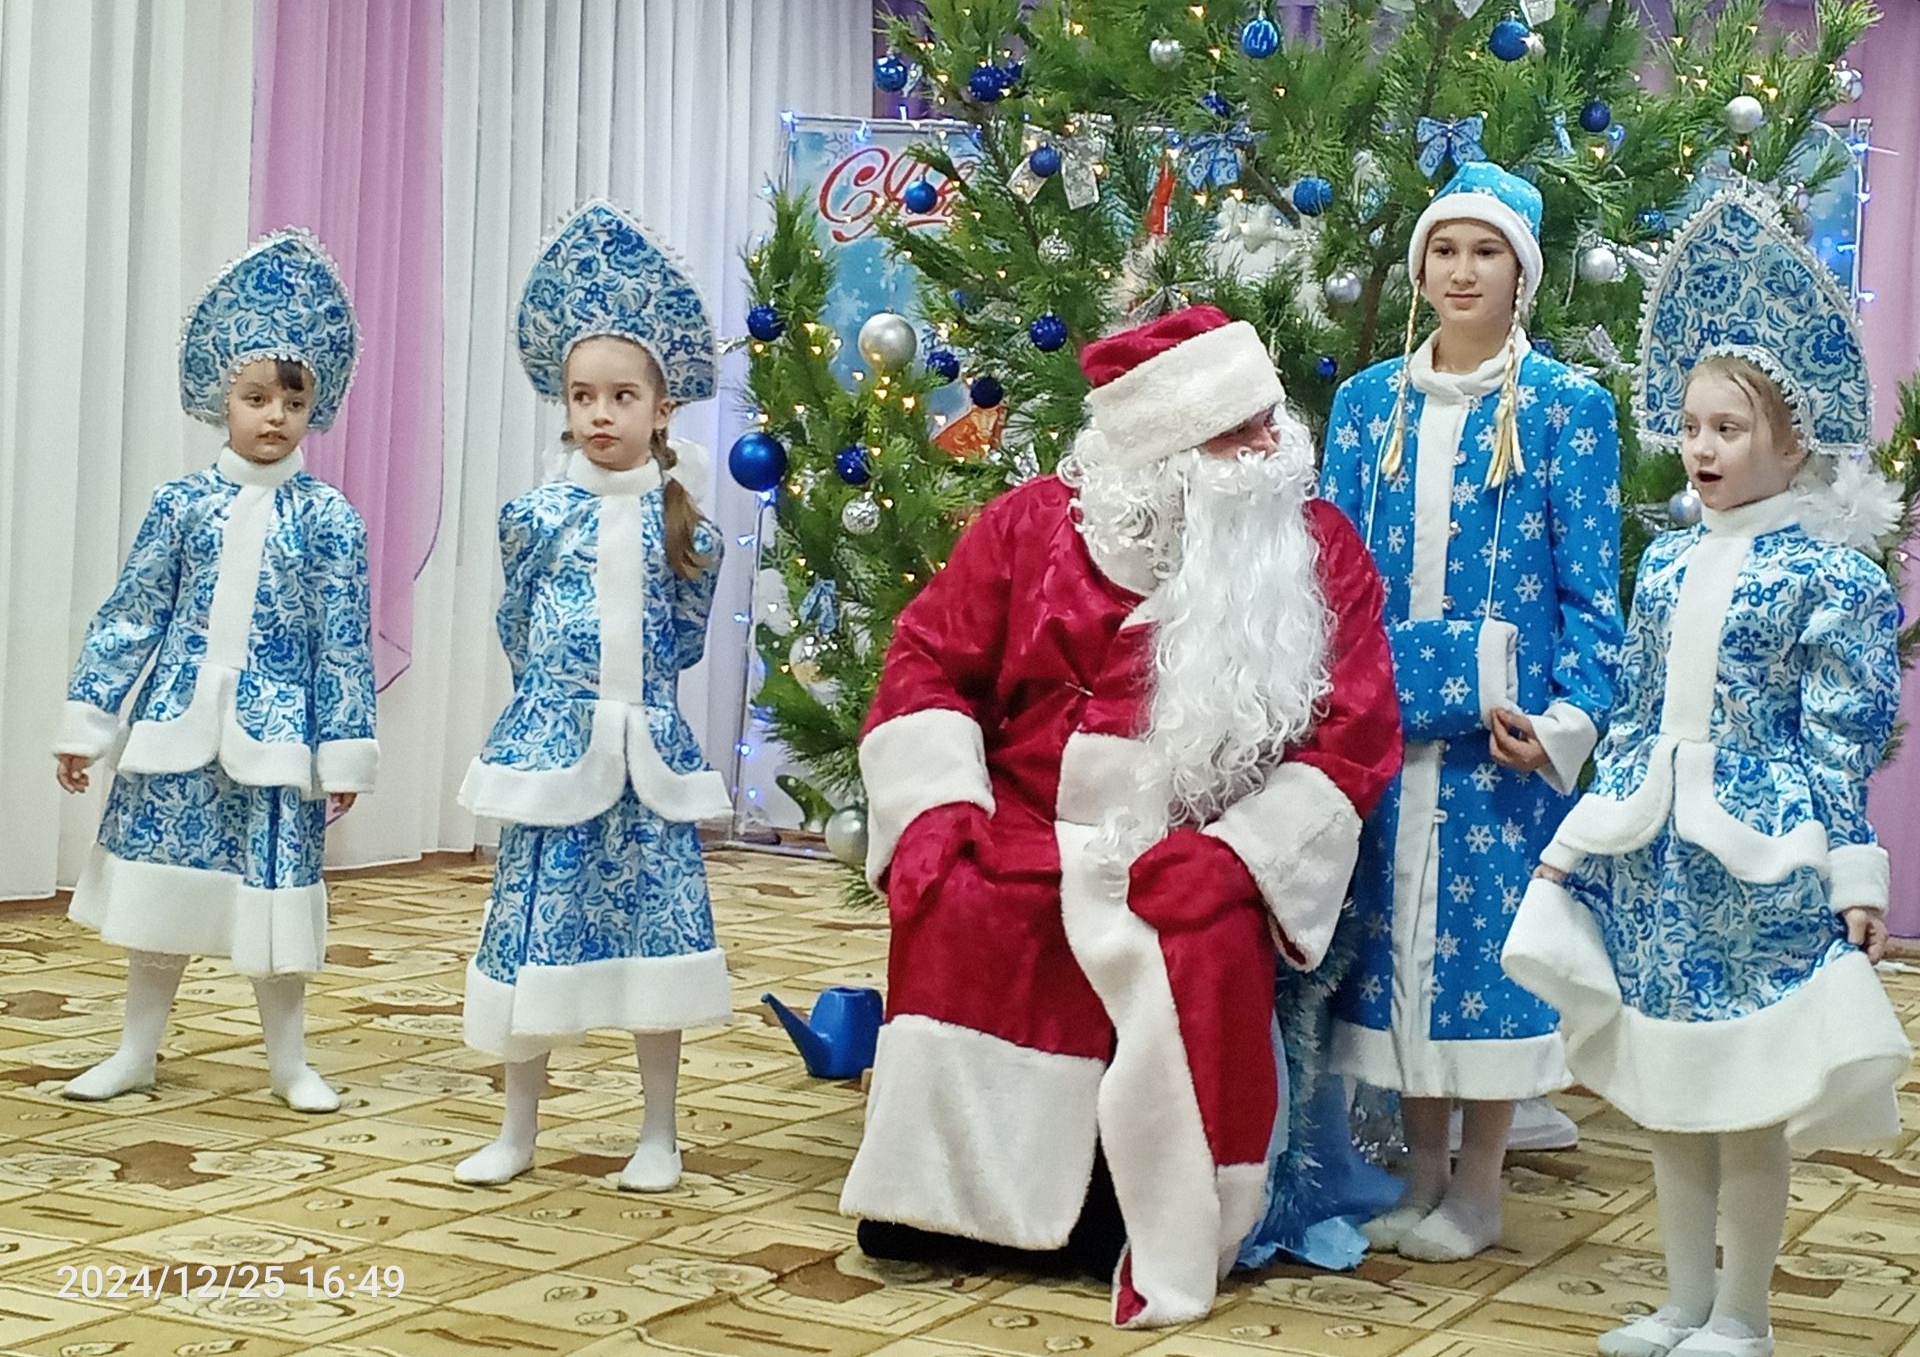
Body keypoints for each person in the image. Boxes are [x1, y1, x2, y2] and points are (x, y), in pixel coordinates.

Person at [841, 304, 1403, 1328]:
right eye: (1237, 430)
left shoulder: (1320, 552)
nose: (1270, 447)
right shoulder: (1033, 527)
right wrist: (935, 811)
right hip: (1024, 814)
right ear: (1160, 450)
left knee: (1200, 942)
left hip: (1204, 835)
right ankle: (943, 1210)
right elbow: (928, 659)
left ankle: (1141, 1221)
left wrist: (1241, 858)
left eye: (1270, 417)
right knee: (966, 903)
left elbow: (1355, 735)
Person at [1503, 182, 1912, 1357]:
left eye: (1728, 429)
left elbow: (1841, 743)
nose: (1703, 448)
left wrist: (1853, 875)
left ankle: (1745, 1312)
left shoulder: (1831, 580)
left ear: (1789, 438)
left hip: (1762, 857)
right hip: (1656, 856)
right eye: (1690, 426)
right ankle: (1682, 1298)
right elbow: (1635, 706)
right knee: (1671, 1086)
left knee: (1747, 1102)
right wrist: (1578, 796)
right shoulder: (1668, 564)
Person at [1320, 162, 1625, 1261]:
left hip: (1505, 752)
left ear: (1520, 273)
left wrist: (1564, 722)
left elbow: (1595, 594)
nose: (1462, 271)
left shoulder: (1566, 412)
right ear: (1420, 267)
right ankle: (1420, 1176)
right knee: (1393, 949)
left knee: (1486, 958)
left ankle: (1482, 1187)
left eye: (1484, 251)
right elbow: (1336, 578)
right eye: (1444, 250)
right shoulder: (1367, 409)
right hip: (1393, 740)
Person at [53, 229, 376, 1112]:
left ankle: (288, 1064)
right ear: (221, 398)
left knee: (273, 907)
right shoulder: (181, 504)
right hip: (174, 733)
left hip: (279, 744)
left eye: (292, 401)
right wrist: (89, 722)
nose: (273, 415)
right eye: (255, 396)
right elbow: (132, 615)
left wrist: (342, 755)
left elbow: (344, 643)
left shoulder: (330, 520)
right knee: (159, 897)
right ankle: (134, 1052)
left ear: (316, 407)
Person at [452, 202, 732, 1191]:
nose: (599, 414)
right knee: (532, 941)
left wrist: (634, 707)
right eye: (583, 396)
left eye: (621, 396)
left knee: (655, 945)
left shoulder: (687, 528)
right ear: (563, 405)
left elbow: (685, 641)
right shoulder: (532, 518)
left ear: (662, 410)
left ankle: (658, 1133)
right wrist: (553, 711)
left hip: (646, 763)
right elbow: (515, 627)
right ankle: (517, 1129)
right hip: (552, 755)